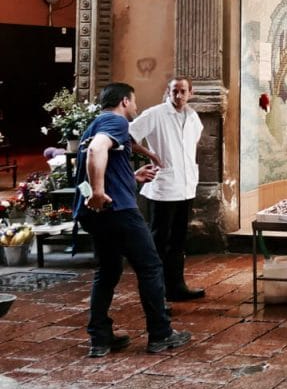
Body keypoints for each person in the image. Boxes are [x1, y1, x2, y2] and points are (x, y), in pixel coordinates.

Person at [74, 82, 192, 357]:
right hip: (119, 212)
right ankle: (161, 334)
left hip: (92, 214)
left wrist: (131, 177)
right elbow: (97, 151)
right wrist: (100, 192)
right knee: (151, 267)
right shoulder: (116, 122)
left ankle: (100, 338)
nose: (136, 107)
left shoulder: (93, 125)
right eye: (134, 102)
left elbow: (96, 159)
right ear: (125, 101)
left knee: (108, 271)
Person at [129, 77, 205, 301]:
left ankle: (177, 286)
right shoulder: (156, 114)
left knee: (179, 239)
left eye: (183, 91)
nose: (178, 96)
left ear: (191, 93)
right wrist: (151, 154)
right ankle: (156, 291)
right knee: (159, 239)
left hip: (186, 186)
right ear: (168, 92)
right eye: (174, 91)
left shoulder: (193, 117)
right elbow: (129, 136)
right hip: (164, 188)